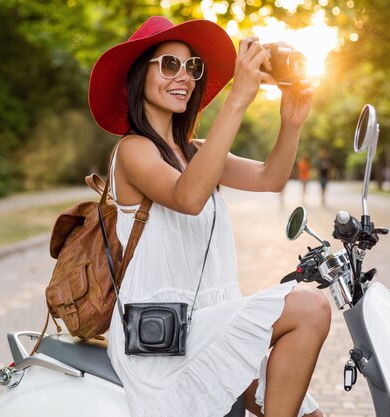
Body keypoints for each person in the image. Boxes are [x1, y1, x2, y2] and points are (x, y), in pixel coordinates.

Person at [88, 16, 330, 417]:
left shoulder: (198, 152)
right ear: (139, 76)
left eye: (193, 67)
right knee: (309, 306)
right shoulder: (132, 151)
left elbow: (271, 178)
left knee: (312, 415)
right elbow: (189, 197)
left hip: (206, 326)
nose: (184, 76)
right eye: (170, 64)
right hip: (160, 339)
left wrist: (291, 124)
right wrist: (238, 98)